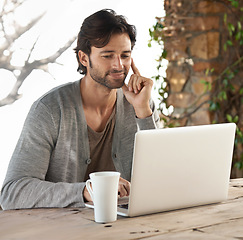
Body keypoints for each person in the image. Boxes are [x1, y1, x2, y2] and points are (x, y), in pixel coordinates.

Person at [0, 9, 160, 210]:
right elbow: (13, 193)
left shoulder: (141, 104)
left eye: (125, 55)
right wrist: (86, 191)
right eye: (108, 55)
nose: (119, 65)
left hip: (130, 228)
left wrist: (143, 112)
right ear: (84, 58)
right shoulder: (50, 109)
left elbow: (161, 180)